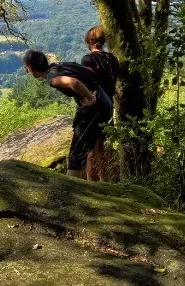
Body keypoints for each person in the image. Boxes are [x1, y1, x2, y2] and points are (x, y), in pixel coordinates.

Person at [23, 49, 112, 179]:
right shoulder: (58, 66)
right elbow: (88, 72)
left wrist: (90, 98)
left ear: (30, 67)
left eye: (26, 67)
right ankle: (95, 186)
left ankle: (71, 193)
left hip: (94, 108)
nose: (26, 71)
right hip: (103, 101)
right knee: (88, 149)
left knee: (76, 156)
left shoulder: (52, 78)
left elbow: (73, 83)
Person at [80, 26, 120, 182]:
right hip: (108, 105)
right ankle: (104, 180)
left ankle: (94, 184)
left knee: (93, 147)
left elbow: (88, 84)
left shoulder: (87, 59)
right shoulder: (112, 59)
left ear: (89, 41)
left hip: (94, 106)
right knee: (101, 146)